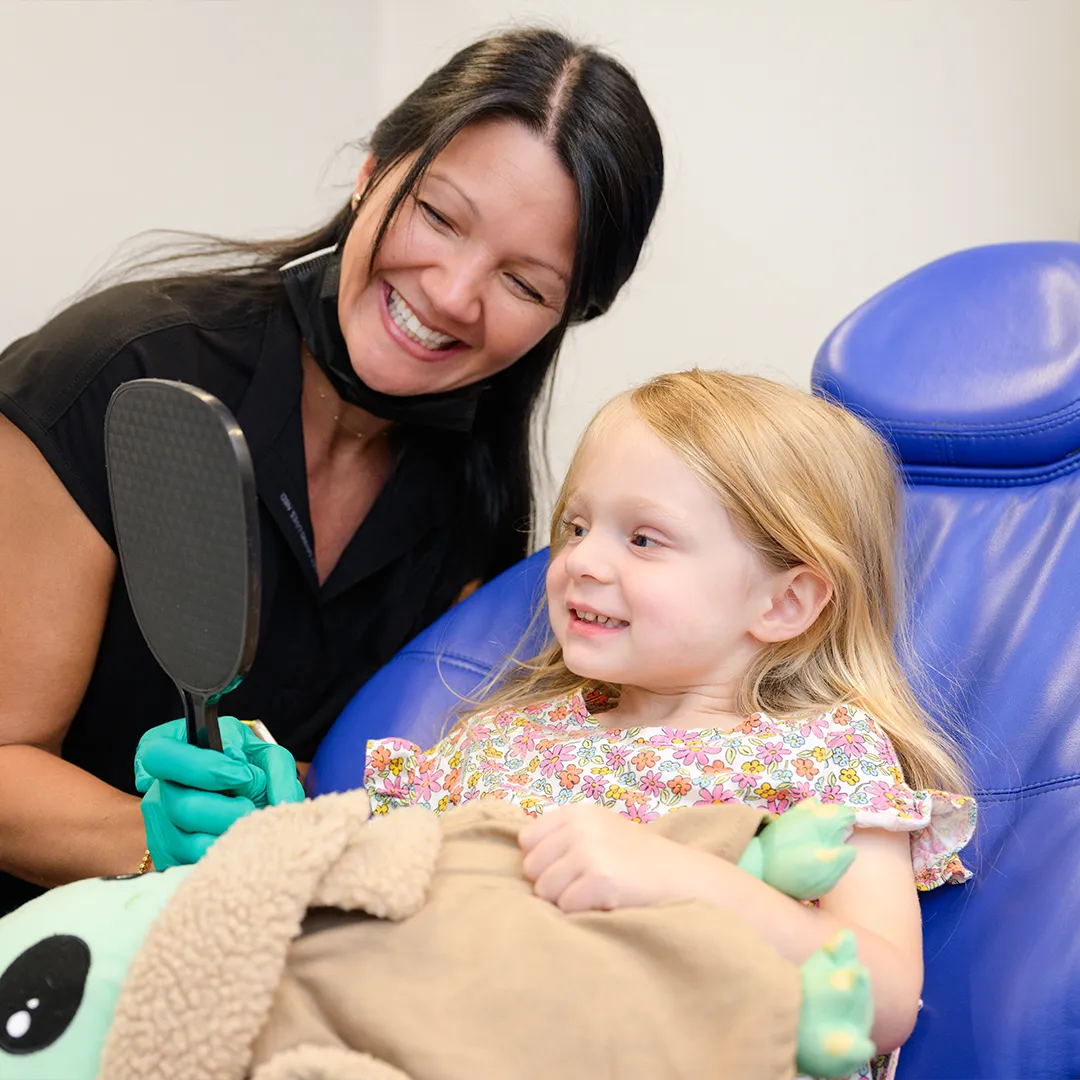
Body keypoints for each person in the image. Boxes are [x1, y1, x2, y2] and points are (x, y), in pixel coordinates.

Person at [0, 27, 664, 914]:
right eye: (438, 214)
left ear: (566, 314)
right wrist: (154, 836)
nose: (452, 292)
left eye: (524, 283)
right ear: (372, 173)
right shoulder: (115, 378)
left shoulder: (475, 499)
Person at [359, 370, 978, 1079]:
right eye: (578, 527)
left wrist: (679, 877)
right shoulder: (500, 738)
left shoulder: (823, 757)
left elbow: (886, 997)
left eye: (645, 539)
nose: (582, 561)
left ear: (784, 603)